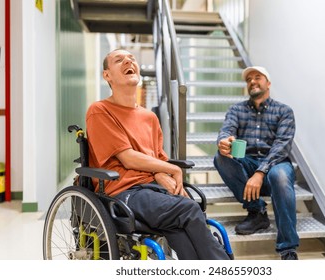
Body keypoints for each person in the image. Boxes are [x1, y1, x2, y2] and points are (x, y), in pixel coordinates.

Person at [86, 48, 229, 260]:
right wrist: (169, 170)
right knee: (187, 210)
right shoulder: (100, 110)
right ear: (107, 75)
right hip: (123, 191)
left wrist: (160, 174)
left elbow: (157, 157)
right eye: (119, 60)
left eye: (131, 58)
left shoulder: (149, 117)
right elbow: (127, 157)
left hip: (152, 189)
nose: (128, 61)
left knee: (180, 228)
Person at [213, 66, 299, 260]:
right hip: (248, 162)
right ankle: (257, 212)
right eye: (249, 79)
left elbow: (281, 146)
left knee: (280, 175)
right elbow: (227, 129)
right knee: (220, 158)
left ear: (267, 83)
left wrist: (260, 173)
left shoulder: (284, 111)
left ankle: (288, 250)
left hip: (276, 164)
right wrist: (224, 141)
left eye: (257, 77)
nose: (252, 81)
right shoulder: (236, 110)